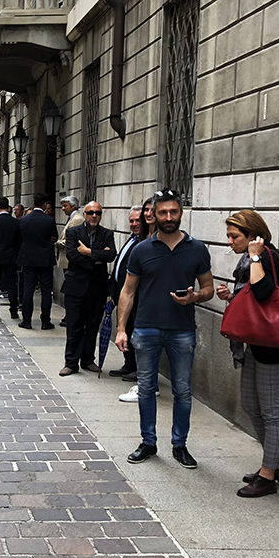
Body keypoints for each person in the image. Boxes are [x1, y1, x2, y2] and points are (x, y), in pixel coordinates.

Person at [115, 189, 214, 468]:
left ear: (181, 213)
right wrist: (121, 329)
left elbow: (208, 288)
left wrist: (195, 297)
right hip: (146, 328)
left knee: (182, 390)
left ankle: (180, 445)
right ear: (153, 215)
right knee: (146, 388)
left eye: (174, 212)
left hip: (182, 330)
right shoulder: (142, 249)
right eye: (163, 212)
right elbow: (128, 291)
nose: (169, 217)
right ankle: (148, 442)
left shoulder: (197, 249)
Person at [216, 210, 279, 498]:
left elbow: (264, 293)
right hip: (258, 344)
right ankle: (275, 464)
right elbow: (254, 302)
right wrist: (232, 297)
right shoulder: (250, 260)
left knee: (271, 412)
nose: (230, 242)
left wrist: (256, 256)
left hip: (278, 347)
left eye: (234, 236)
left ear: (253, 236)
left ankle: (268, 477)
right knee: (250, 405)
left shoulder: (267, 257)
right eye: (229, 236)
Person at [59, 201, 115, 376]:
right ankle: (71, 363)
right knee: (74, 326)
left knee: (92, 326)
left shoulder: (107, 233)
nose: (94, 216)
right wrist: (97, 259)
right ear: (84, 214)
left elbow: (111, 255)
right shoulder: (73, 232)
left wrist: (88, 252)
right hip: (75, 288)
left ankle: (88, 360)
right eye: (90, 212)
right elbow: (72, 255)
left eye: (97, 213)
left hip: (97, 289)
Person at [108, 205, 144, 382]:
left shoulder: (144, 242)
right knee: (126, 329)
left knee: (135, 332)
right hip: (122, 294)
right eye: (131, 221)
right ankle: (129, 365)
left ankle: (138, 369)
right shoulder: (131, 239)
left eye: (138, 220)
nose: (134, 224)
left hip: (136, 298)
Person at [17, 193, 58, 330]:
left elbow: (20, 237)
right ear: (45, 205)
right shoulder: (49, 220)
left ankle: (26, 320)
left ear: (34, 203)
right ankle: (45, 321)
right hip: (45, 259)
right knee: (46, 291)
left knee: (28, 289)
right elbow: (54, 236)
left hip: (28, 258)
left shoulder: (24, 220)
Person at [55, 195, 84, 327]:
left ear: (73, 206)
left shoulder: (77, 219)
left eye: (65, 206)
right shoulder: (72, 218)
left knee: (70, 290)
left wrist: (57, 243)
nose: (62, 208)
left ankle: (70, 316)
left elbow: (71, 240)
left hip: (69, 259)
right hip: (66, 259)